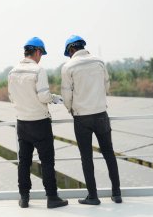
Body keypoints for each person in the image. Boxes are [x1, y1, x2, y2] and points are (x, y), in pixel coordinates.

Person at [61, 35, 122, 205]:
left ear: (71, 50)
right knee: (109, 154)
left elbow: (66, 96)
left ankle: (93, 197)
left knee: (86, 157)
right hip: (101, 114)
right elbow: (107, 86)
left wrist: (71, 109)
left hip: (81, 118)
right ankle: (116, 194)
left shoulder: (68, 66)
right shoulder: (99, 62)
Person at [8, 37, 68, 209]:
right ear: (38, 52)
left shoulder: (12, 72)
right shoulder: (38, 70)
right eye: (41, 53)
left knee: (24, 161)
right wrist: (54, 98)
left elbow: (11, 97)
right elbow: (43, 96)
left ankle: (24, 198)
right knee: (47, 161)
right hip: (39, 123)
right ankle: (52, 197)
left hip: (22, 123)